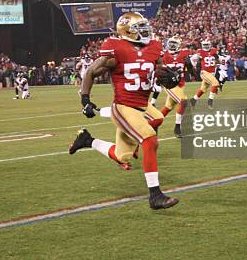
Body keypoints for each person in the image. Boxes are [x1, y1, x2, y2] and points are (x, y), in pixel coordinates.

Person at [68, 12, 179, 210]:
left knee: (123, 156)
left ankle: (87, 140)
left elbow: (160, 70)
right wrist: (85, 99)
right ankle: (155, 195)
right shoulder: (115, 47)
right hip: (124, 107)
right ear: (128, 31)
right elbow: (91, 72)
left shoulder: (153, 47)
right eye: (140, 28)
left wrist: (169, 76)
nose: (146, 31)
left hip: (143, 107)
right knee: (150, 138)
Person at [189, 39, 220, 108]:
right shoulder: (200, 52)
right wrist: (194, 66)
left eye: (207, 45)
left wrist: (218, 62)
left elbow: (217, 59)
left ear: (210, 45)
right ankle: (210, 101)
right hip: (204, 72)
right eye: (204, 45)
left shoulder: (214, 51)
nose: (206, 46)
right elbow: (192, 59)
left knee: (203, 89)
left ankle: (193, 100)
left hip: (211, 73)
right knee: (215, 83)